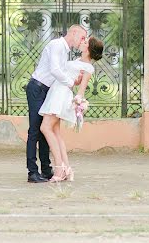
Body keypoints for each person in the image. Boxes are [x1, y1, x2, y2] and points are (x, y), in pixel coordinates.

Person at [26, 24, 87, 183]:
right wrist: (70, 83)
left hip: (47, 91)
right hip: (37, 88)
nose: (83, 41)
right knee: (35, 130)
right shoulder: (57, 45)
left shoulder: (65, 51)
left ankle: (46, 170)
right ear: (73, 32)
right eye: (82, 37)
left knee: (47, 130)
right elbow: (54, 70)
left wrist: (76, 79)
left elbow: (62, 72)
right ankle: (32, 172)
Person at [39, 36, 104, 182]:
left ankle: (59, 168)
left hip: (61, 96)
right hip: (56, 92)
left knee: (45, 127)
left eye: (85, 42)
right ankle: (67, 168)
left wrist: (79, 102)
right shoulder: (77, 62)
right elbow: (71, 79)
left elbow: (81, 90)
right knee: (55, 131)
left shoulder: (88, 67)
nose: (82, 42)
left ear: (89, 49)